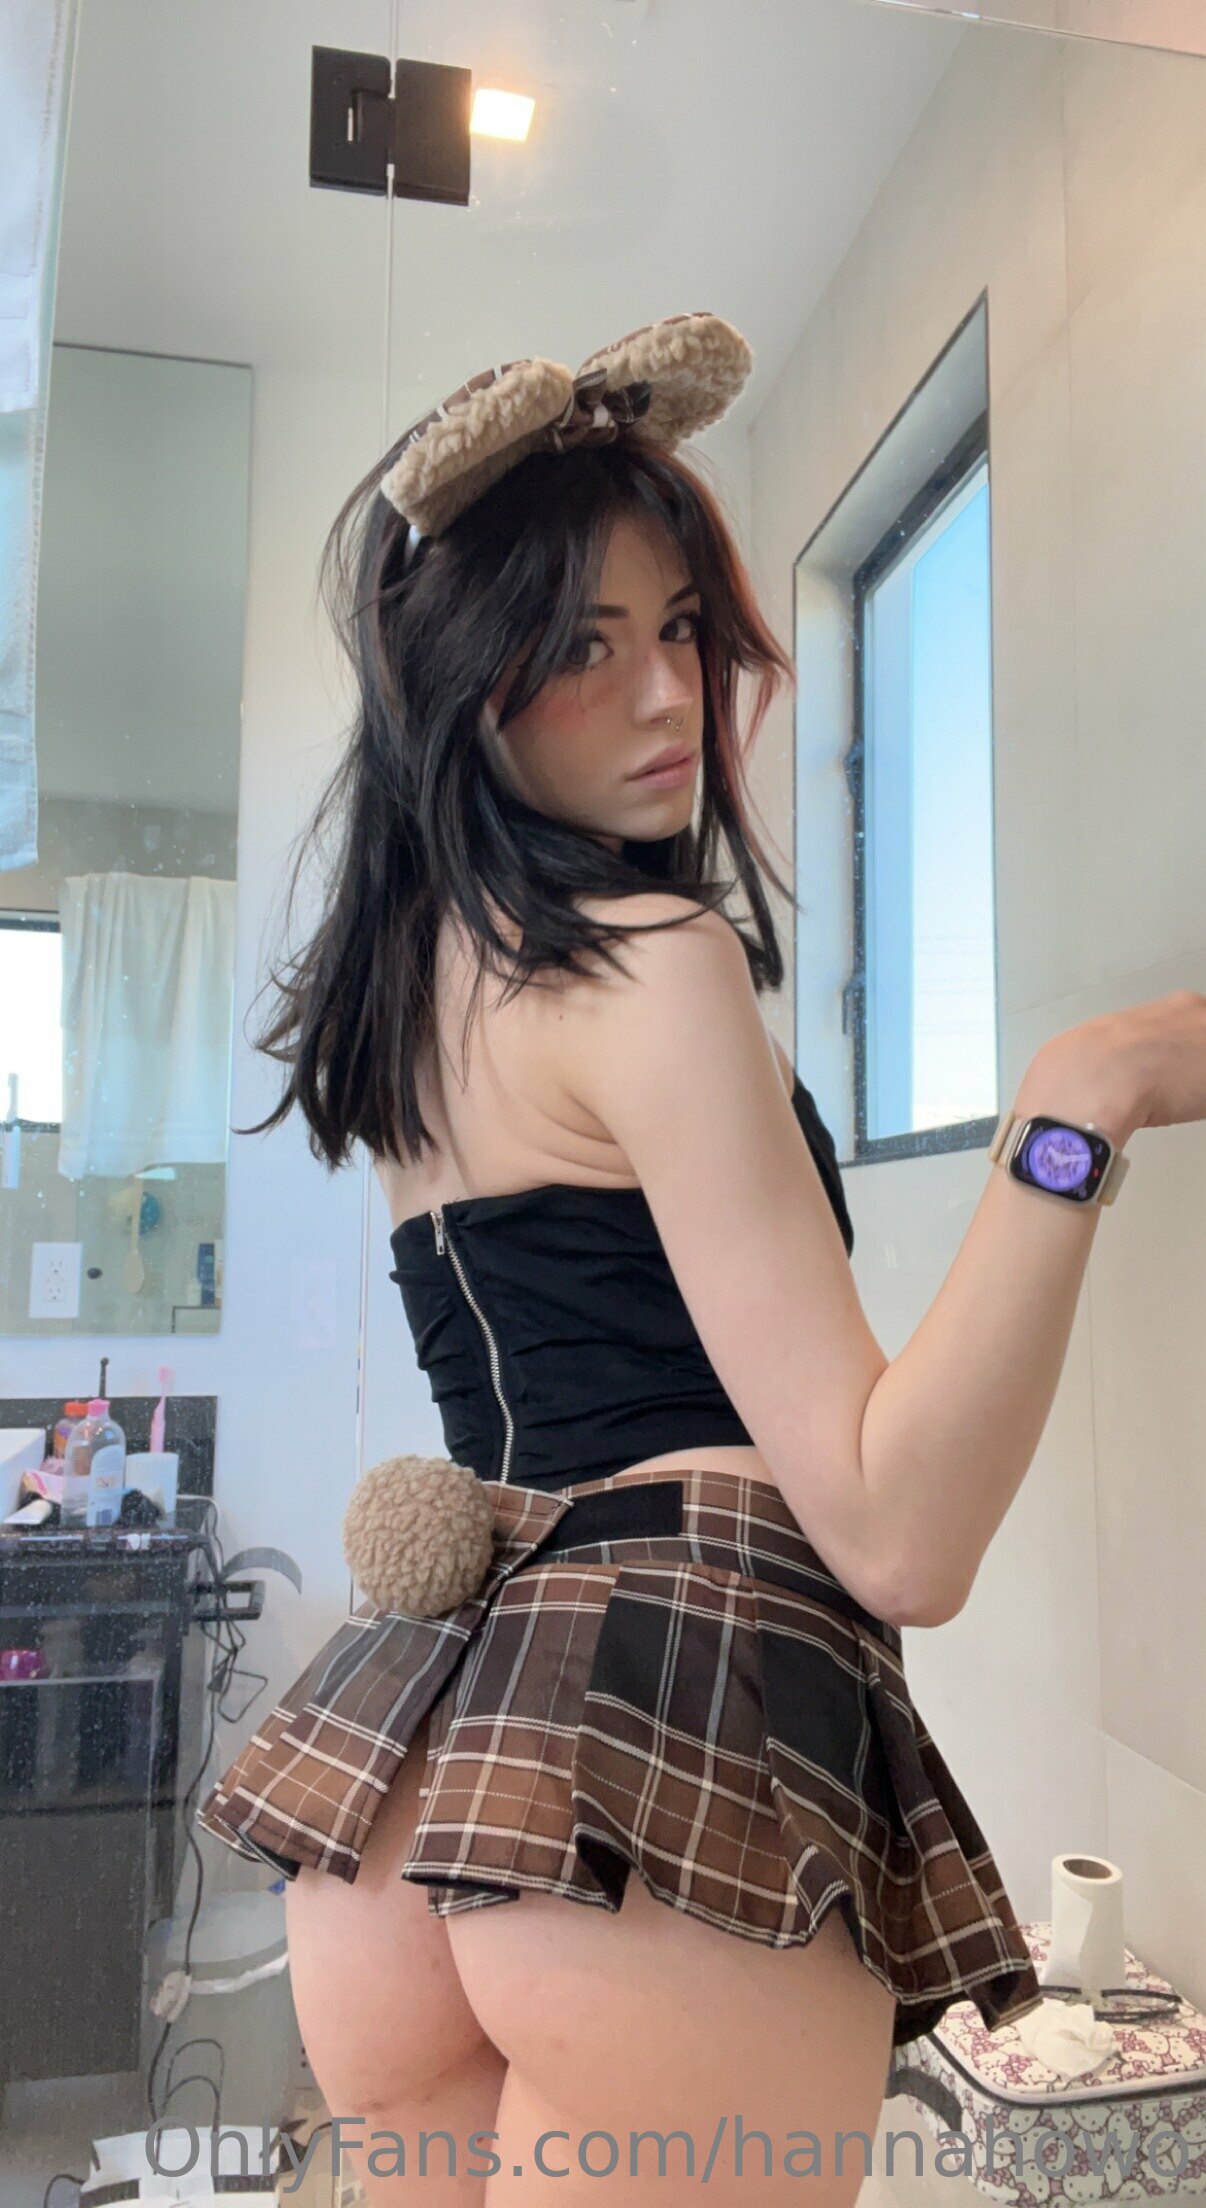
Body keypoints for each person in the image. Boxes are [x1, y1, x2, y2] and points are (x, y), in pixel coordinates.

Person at [197, 314, 1204, 2206]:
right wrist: (1084, 1102)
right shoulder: (648, 963)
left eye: (678, 628)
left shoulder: (412, 995)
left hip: (407, 1763)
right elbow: (897, 1534)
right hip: (660, 1751)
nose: (667, 693)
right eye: (580, 646)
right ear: (463, 681)